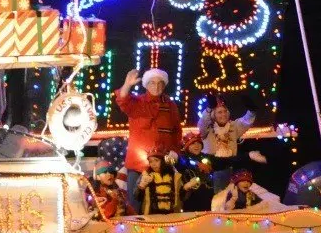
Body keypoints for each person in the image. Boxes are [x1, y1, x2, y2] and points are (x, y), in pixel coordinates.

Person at [113, 68, 183, 201]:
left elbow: (176, 131)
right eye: (152, 83)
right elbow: (122, 100)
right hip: (139, 165)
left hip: (163, 165)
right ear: (146, 84)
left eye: (160, 83)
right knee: (136, 202)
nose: (156, 86)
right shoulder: (138, 102)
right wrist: (127, 85)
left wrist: (174, 151)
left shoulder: (171, 105)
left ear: (165, 85)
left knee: (162, 202)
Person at [197, 92, 265, 191]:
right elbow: (203, 122)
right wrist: (209, 109)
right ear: (213, 115)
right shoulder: (207, 129)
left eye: (225, 111)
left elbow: (246, 121)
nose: (223, 114)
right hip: (211, 170)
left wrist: (252, 110)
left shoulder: (233, 126)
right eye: (219, 112)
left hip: (230, 169)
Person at [174, 136, 214, 212]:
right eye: (193, 143)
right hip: (191, 196)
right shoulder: (183, 159)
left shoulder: (207, 158)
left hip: (207, 195)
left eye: (198, 143)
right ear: (187, 146)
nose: (196, 146)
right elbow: (181, 164)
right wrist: (197, 163)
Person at [215, 168, 281, 212]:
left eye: (248, 181)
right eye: (243, 181)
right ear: (237, 184)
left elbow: (259, 202)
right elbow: (227, 209)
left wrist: (263, 204)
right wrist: (234, 198)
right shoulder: (232, 193)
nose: (246, 183)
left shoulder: (250, 193)